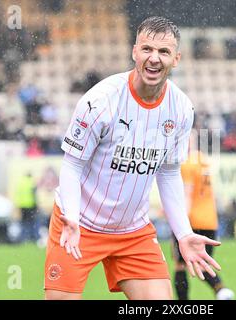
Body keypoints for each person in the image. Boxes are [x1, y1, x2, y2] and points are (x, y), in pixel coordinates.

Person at [44, 16, 221, 300]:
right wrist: (72, 217)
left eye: (164, 52)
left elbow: (168, 173)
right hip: (80, 224)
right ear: (134, 52)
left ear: (176, 58)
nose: (154, 58)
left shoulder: (182, 109)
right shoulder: (100, 101)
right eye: (147, 49)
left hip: (133, 231)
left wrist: (184, 234)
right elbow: (72, 165)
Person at [172, 141, 234, 300]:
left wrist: (179, 222)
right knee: (203, 263)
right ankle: (221, 290)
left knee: (180, 266)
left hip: (192, 221)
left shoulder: (186, 165)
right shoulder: (201, 159)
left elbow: (187, 195)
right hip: (209, 220)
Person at [15, 173, 39, 242]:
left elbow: (18, 194)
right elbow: (34, 194)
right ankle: (33, 237)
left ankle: (23, 237)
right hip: (31, 205)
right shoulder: (31, 182)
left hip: (22, 206)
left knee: (23, 222)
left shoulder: (21, 182)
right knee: (32, 222)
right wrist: (36, 205)